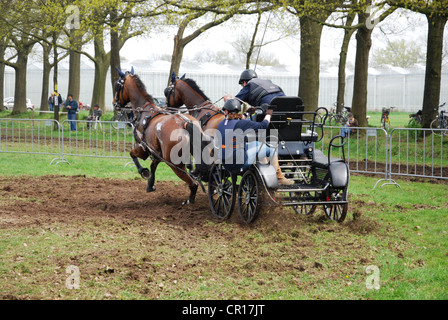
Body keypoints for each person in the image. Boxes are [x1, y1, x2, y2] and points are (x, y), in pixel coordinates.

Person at [217, 99, 294, 185]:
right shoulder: (241, 123)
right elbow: (263, 125)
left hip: (226, 164)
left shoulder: (220, 124)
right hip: (239, 164)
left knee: (257, 144)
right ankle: (279, 177)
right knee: (272, 148)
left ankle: (265, 172)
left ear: (226, 111)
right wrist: (268, 114)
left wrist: (246, 114)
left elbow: (238, 121)